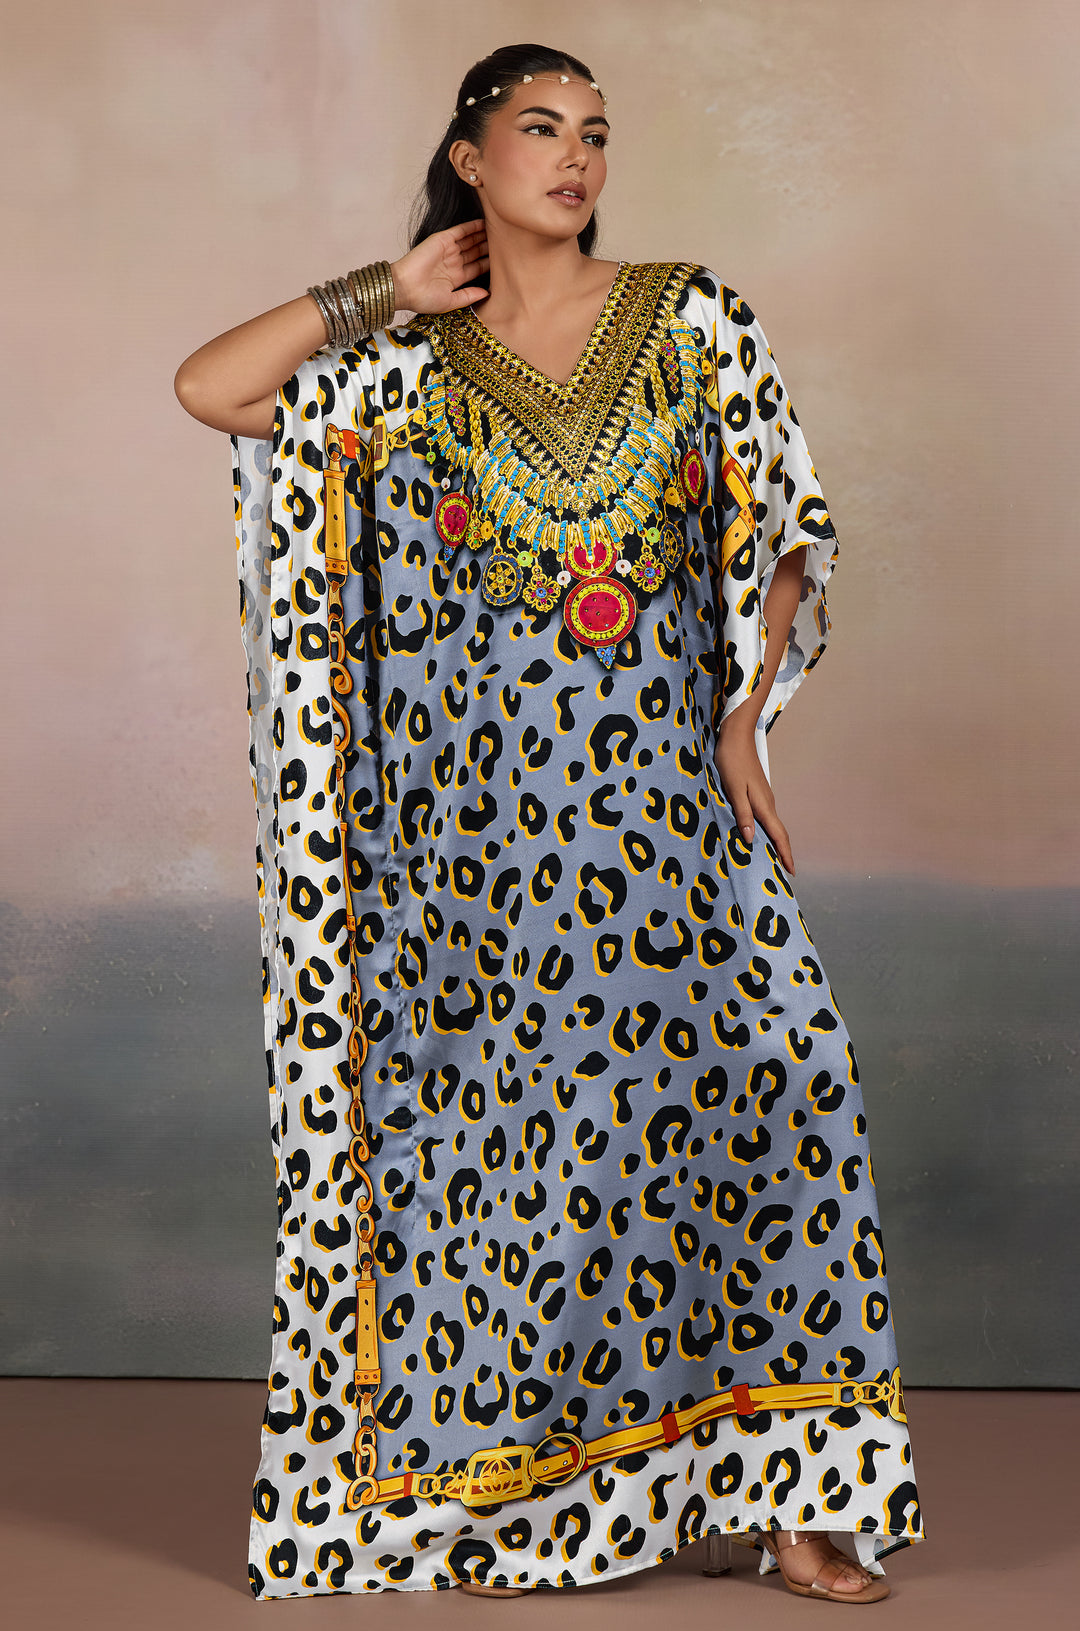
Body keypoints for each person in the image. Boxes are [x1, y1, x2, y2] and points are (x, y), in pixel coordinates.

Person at [175, 41, 924, 1605]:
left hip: (669, 820)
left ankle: (796, 1496)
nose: (576, 157)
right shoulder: (402, 371)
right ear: (471, 157)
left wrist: (743, 719)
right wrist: (377, 292)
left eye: (595, 133)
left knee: (785, 1083)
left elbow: (785, 519)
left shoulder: (691, 318)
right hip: (480, 852)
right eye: (540, 128)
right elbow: (214, 388)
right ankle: (524, 1497)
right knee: (539, 1165)